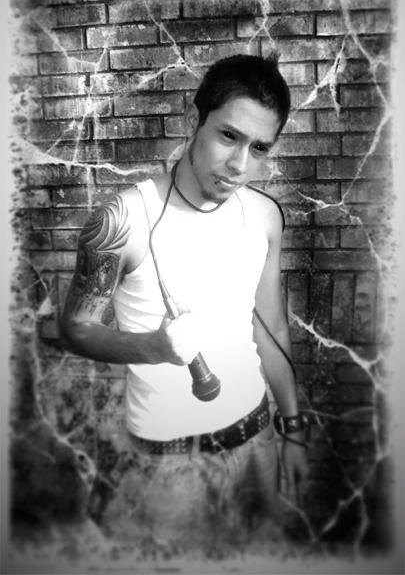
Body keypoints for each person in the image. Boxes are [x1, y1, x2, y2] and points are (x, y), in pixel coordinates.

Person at [61, 54, 309, 556]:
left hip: (257, 439)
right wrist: (153, 348)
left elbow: (272, 327)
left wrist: (293, 427)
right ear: (191, 119)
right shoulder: (123, 219)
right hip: (167, 466)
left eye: (259, 148)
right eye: (228, 136)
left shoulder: (265, 216)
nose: (240, 165)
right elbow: (74, 328)